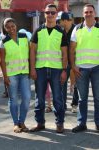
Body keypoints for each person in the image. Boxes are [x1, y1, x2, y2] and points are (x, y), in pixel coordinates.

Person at [30, 4, 68, 133]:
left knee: (57, 98)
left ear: (56, 14)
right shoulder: (38, 31)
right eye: (48, 12)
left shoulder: (61, 32)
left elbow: (64, 53)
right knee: (39, 99)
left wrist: (64, 70)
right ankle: (40, 123)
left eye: (53, 12)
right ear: (44, 14)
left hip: (56, 70)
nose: (50, 15)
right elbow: (33, 51)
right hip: (40, 69)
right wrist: (32, 69)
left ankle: (60, 123)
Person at [70, 4, 99, 133]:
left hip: (97, 68)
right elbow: (72, 49)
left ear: (95, 13)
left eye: (90, 12)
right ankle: (82, 123)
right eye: (86, 12)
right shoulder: (77, 28)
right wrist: (73, 65)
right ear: (83, 14)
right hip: (81, 69)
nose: (88, 14)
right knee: (82, 99)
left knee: (98, 98)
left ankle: (98, 123)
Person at [0, 18, 31, 133]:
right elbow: (2, 60)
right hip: (11, 74)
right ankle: (15, 123)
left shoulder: (24, 36)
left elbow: (29, 54)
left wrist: (31, 69)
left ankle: (22, 121)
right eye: (8, 27)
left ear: (16, 25)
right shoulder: (3, 41)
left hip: (24, 73)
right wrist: (5, 76)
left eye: (12, 26)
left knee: (27, 98)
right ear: (5, 29)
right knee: (13, 99)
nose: (11, 28)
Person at [57, 11, 79, 113]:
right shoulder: (59, 31)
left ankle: (74, 103)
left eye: (59, 20)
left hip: (75, 62)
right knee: (62, 84)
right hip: (63, 63)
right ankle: (63, 105)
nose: (58, 22)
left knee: (75, 85)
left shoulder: (77, 30)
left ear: (65, 21)